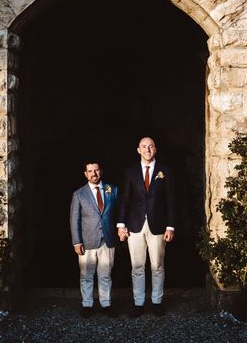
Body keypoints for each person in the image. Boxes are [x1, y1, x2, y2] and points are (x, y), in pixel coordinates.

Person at [117, 136, 176, 317]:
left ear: (155, 149)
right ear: (138, 150)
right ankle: (139, 303)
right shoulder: (131, 171)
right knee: (137, 266)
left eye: (150, 147)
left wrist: (171, 226)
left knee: (157, 265)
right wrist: (121, 225)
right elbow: (125, 199)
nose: (147, 150)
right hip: (135, 225)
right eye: (144, 147)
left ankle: (157, 302)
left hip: (158, 225)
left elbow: (171, 200)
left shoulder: (164, 171)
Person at [69, 161, 118, 318]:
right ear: (85, 174)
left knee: (105, 275)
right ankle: (87, 305)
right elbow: (74, 219)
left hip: (108, 239)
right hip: (87, 241)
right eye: (90, 171)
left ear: (101, 172)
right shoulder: (79, 194)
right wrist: (77, 241)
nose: (94, 174)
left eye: (96, 170)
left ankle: (106, 304)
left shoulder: (112, 189)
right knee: (86, 275)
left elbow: (118, 212)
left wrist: (120, 228)